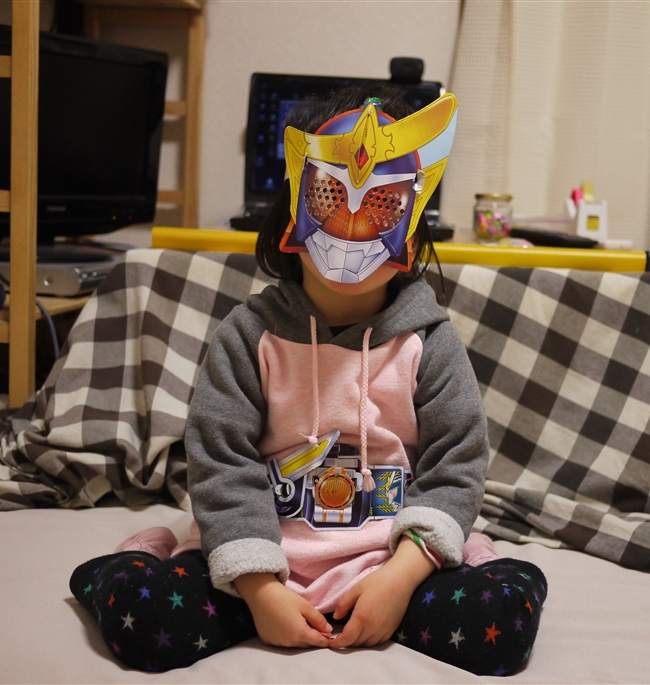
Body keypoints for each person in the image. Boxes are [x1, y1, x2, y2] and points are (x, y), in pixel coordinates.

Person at [70, 86, 545, 676]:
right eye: (329, 195)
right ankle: (147, 553)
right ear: (293, 211)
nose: (352, 223)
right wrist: (260, 590)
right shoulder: (248, 336)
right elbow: (221, 462)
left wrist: (403, 575)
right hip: (257, 556)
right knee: (148, 626)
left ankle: (470, 551)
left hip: (388, 561)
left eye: (381, 205)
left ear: (413, 228)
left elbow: (457, 463)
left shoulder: (430, 343)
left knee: (500, 630)